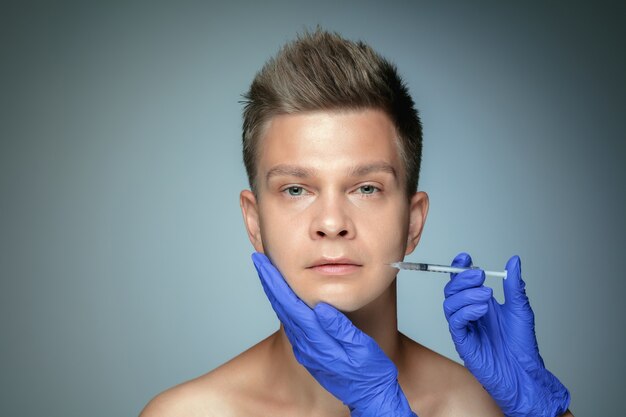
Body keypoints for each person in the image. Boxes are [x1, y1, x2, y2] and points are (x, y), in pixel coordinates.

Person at [140, 29, 572, 417]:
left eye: (366, 188)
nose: (331, 223)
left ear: (413, 223)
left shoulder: (476, 410)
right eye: (295, 189)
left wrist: (544, 410)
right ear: (254, 222)